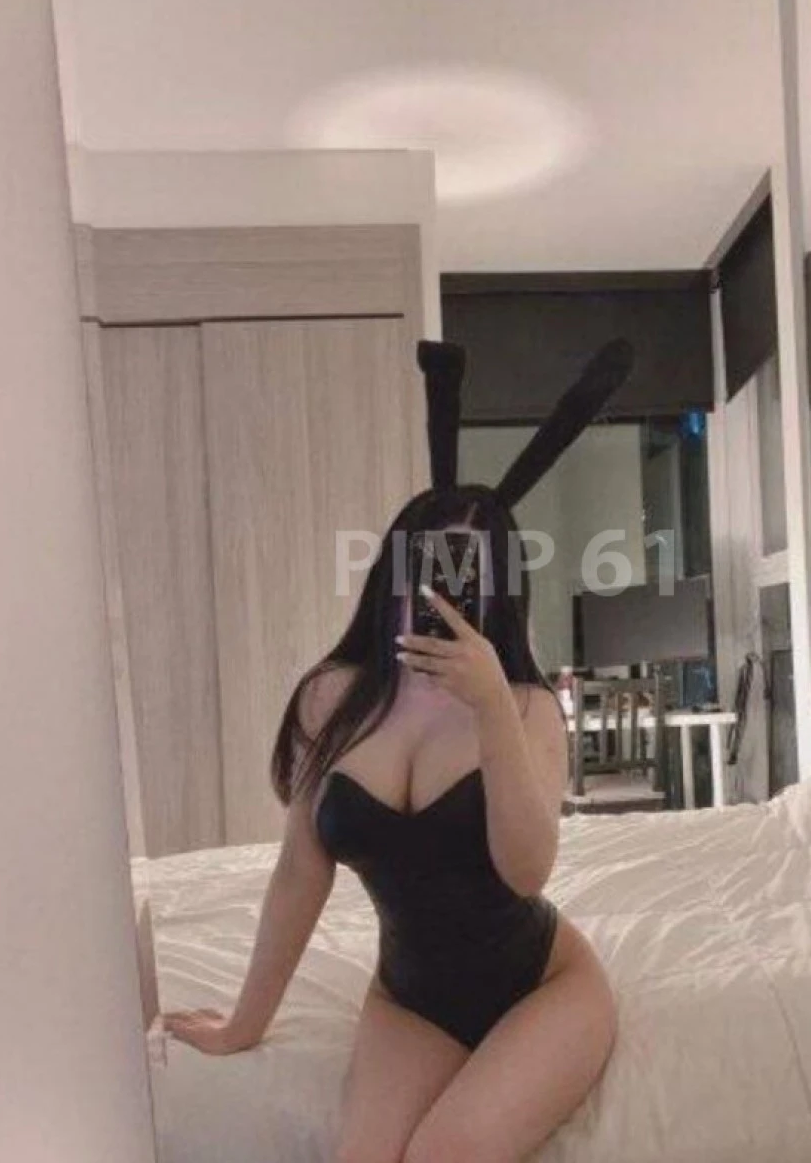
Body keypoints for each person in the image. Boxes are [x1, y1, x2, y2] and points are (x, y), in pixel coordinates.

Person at [164, 339, 633, 1161]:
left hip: (546, 989)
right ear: (393, 571)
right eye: (431, 565)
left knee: (444, 1154)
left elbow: (528, 872)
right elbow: (299, 870)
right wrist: (245, 1023)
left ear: (500, 589)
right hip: (409, 998)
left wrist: (491, 708)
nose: (447, 589)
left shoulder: (526, 708)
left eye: (470, 572)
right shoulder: (331, 698)